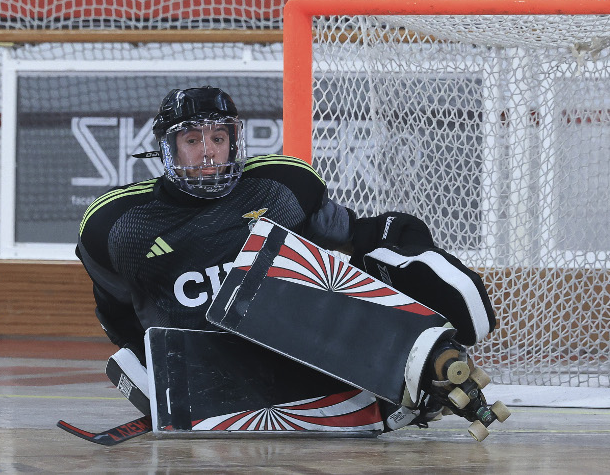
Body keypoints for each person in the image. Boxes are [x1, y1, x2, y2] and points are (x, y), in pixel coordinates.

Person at [76, 86, 496, 432]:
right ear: (168, 150)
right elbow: (116, 313)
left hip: (294, 346)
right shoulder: (118, 226)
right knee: (131, 364)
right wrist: (155, 369)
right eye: (192, 141)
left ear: (234, 142)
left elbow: (357, 235)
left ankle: (420, 371)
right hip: (207, 361)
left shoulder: (281, 187)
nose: (207, 153)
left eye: (218, 139)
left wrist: (409, 247)